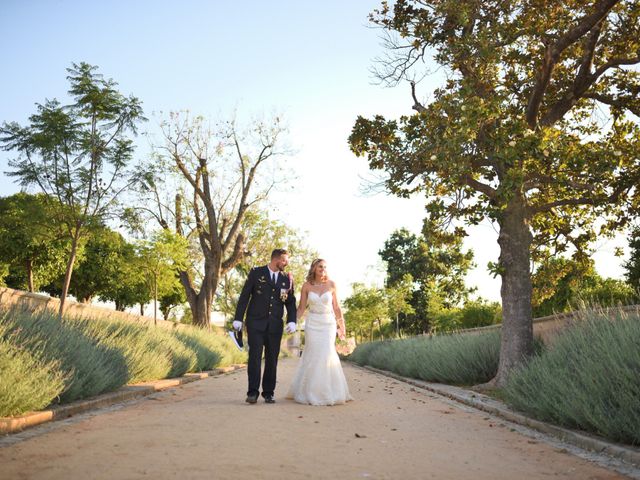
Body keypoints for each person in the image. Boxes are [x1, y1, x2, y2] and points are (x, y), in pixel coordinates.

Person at [233, 249, 297, 404]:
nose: (286, 263)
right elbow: (245, 296)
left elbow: (290, 301)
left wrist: (292, 320)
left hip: (275, 325)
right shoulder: (256, 273)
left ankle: (268, 392)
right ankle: (253, 392)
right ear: (276, 259)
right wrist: (238, 318)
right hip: (255, 323)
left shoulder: (287, 278)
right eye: (284, 260)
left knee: (271, 359)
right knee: (254, 357)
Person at [286, 259, 353, 405]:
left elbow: (336, 307)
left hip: (328, 324)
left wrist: (342, 327)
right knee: (313, 354)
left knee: (327, 353)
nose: (323, 269)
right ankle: (310, 391)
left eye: (325, 267)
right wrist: (292, 322)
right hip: (312, 324)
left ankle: (330, 392)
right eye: (320, 266)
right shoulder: (306, 286)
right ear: (314, 268)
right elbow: (301, 308)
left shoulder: (332, 285)